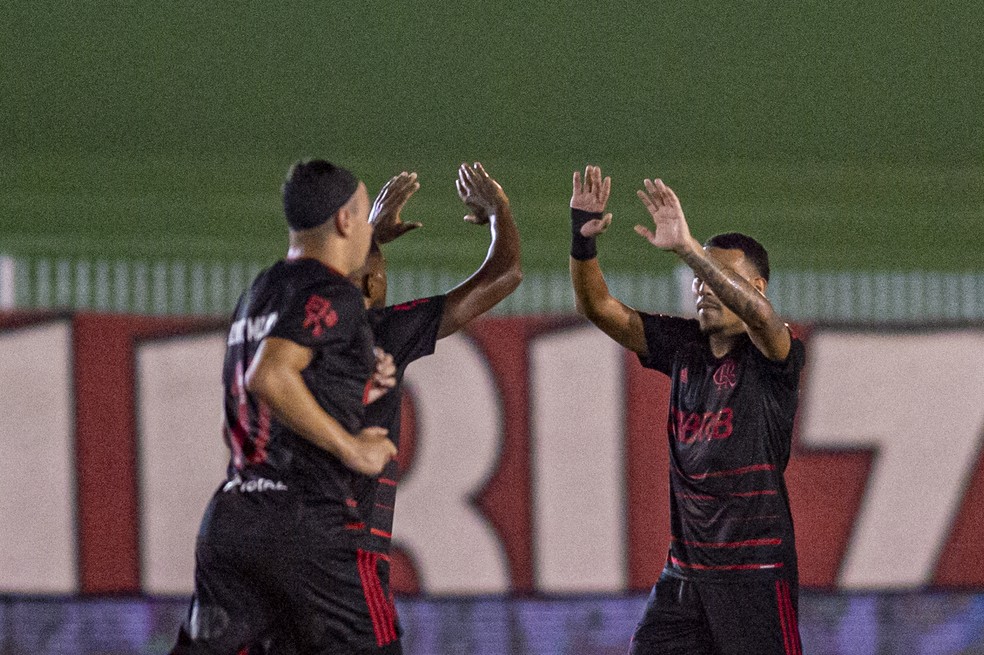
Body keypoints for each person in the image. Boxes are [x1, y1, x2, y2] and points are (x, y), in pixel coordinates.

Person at [254, 161, 522, 654]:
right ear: (372, 287)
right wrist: (497, 210)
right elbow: (504, 274)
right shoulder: (382, 332)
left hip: (274, 543)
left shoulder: (274, 320)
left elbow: (324, 275)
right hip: (346, 555)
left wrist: (367, 236)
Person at [569, 166, 805, 655]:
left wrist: (690, 250)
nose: (703, 287)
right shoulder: (683, 346)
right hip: (687, 575)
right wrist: (582, 239)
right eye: (698, 278)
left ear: (756, 287)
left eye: (716, 278)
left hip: (755, 574)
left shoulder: (773, 356)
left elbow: (763, 319)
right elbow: (598, 307)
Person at [171, 159, 400, 655]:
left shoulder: (260, 292)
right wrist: (352, 450)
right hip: (305, 524)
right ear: (343, 220)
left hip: (233, 520)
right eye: (363, 216)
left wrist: (367, 377)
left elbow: (288, 384)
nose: (366, 229)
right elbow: (270, 375)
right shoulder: (330, 292)